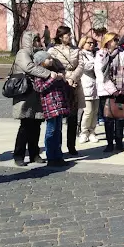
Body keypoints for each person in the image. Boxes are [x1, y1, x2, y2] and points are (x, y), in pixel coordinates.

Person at [12, 31, 57, 166]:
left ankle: (34, 153)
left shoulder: (39, 52)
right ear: (29, 41)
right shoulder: (23, 53)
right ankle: (18, 155)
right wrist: (48, 73)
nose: (38, 42)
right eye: (35, 40)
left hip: (37, 94)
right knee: (25, 125)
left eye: (39, 39)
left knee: (36, 124)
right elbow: (29, 67)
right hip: (25, 93)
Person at [49, 26, 83, 157]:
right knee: (59, 118)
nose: (69, 37)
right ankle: (58, 146)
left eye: (70, 34)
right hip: (61, 83)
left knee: (73, 117)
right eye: (67, 35)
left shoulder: (76, 50)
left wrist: (74, 77)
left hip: (74, 84)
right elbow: (53, 66)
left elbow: (81, 65)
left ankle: (71, 145)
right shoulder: (53, 50)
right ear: (60, 36)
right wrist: (65, 77)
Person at [32, 51, 71, 167]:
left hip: (59, 105)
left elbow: (62, 87)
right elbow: (40, 88)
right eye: (48, 59)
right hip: (49, 106)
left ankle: (58, 155)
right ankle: (51, 157)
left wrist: (62, 79)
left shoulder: (53, 71)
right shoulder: (39, 74)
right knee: (51, 131)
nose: (51, 60)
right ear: (42, 62)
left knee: (58, 131)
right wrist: (52, 79)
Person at [95, 33, 124, 153]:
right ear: (108, 41)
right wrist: (113, 90)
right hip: (107, 91)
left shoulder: (122, 53)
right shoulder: (101, 55)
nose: (117, 41)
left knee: (120, 117)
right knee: (108, 118)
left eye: (117, 39)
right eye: (114, 39)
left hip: (120, 89)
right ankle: (109, 143)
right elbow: (101, 75)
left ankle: (119, 142)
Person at [77, 36, 99, 144]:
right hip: (86, 84)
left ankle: (92, 132)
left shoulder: (95, 54)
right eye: (89, 43)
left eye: (93, 43)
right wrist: (97, 63)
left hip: (97, 86)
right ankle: (83, 132)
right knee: (88, 111)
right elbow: (86, 67)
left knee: (95, 112)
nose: (91, 45)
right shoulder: (81, 54)